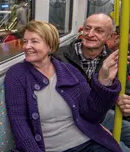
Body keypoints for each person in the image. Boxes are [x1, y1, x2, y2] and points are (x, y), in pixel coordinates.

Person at [5, 20, 121, 152]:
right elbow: (19, 123)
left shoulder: (69, 70)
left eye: (34, 41)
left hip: (87, 141)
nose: (26, 46)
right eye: (25, 41)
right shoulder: (16, 74)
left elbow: (92, 114)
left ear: (50, 45)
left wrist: (104, 81)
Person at [53, 13, 130, 151]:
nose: (90, 34)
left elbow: (125, 91)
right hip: (72, 118)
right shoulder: (58, 58)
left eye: (99, 30)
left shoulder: (114, 61)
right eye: (87, 28)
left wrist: (126, 104)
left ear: (110, 36)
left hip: (103, 114)